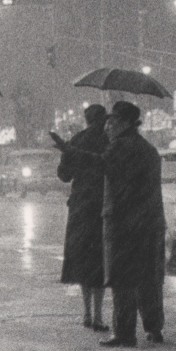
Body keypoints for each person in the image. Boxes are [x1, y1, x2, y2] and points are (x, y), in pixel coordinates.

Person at [51, 100, 166, 348]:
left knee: (123, 280)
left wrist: (69, 150)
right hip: (152, 222)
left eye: (112, 122)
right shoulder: (148, 149)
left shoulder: (122, 147)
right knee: (149, 278)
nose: (107, 127)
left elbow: (101, 163)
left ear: (124, 123)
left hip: (126, 224)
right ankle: (154, 328)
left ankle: (124, 334)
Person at [57, 104, 109, 331]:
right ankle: (98, 315)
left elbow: (64, 175)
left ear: (86, 119)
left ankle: (87, 313)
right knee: (100, 260)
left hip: (80, 206)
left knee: (84, 260)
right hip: (103, 205)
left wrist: (67, 153)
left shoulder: (76, 141)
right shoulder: (109, 141)